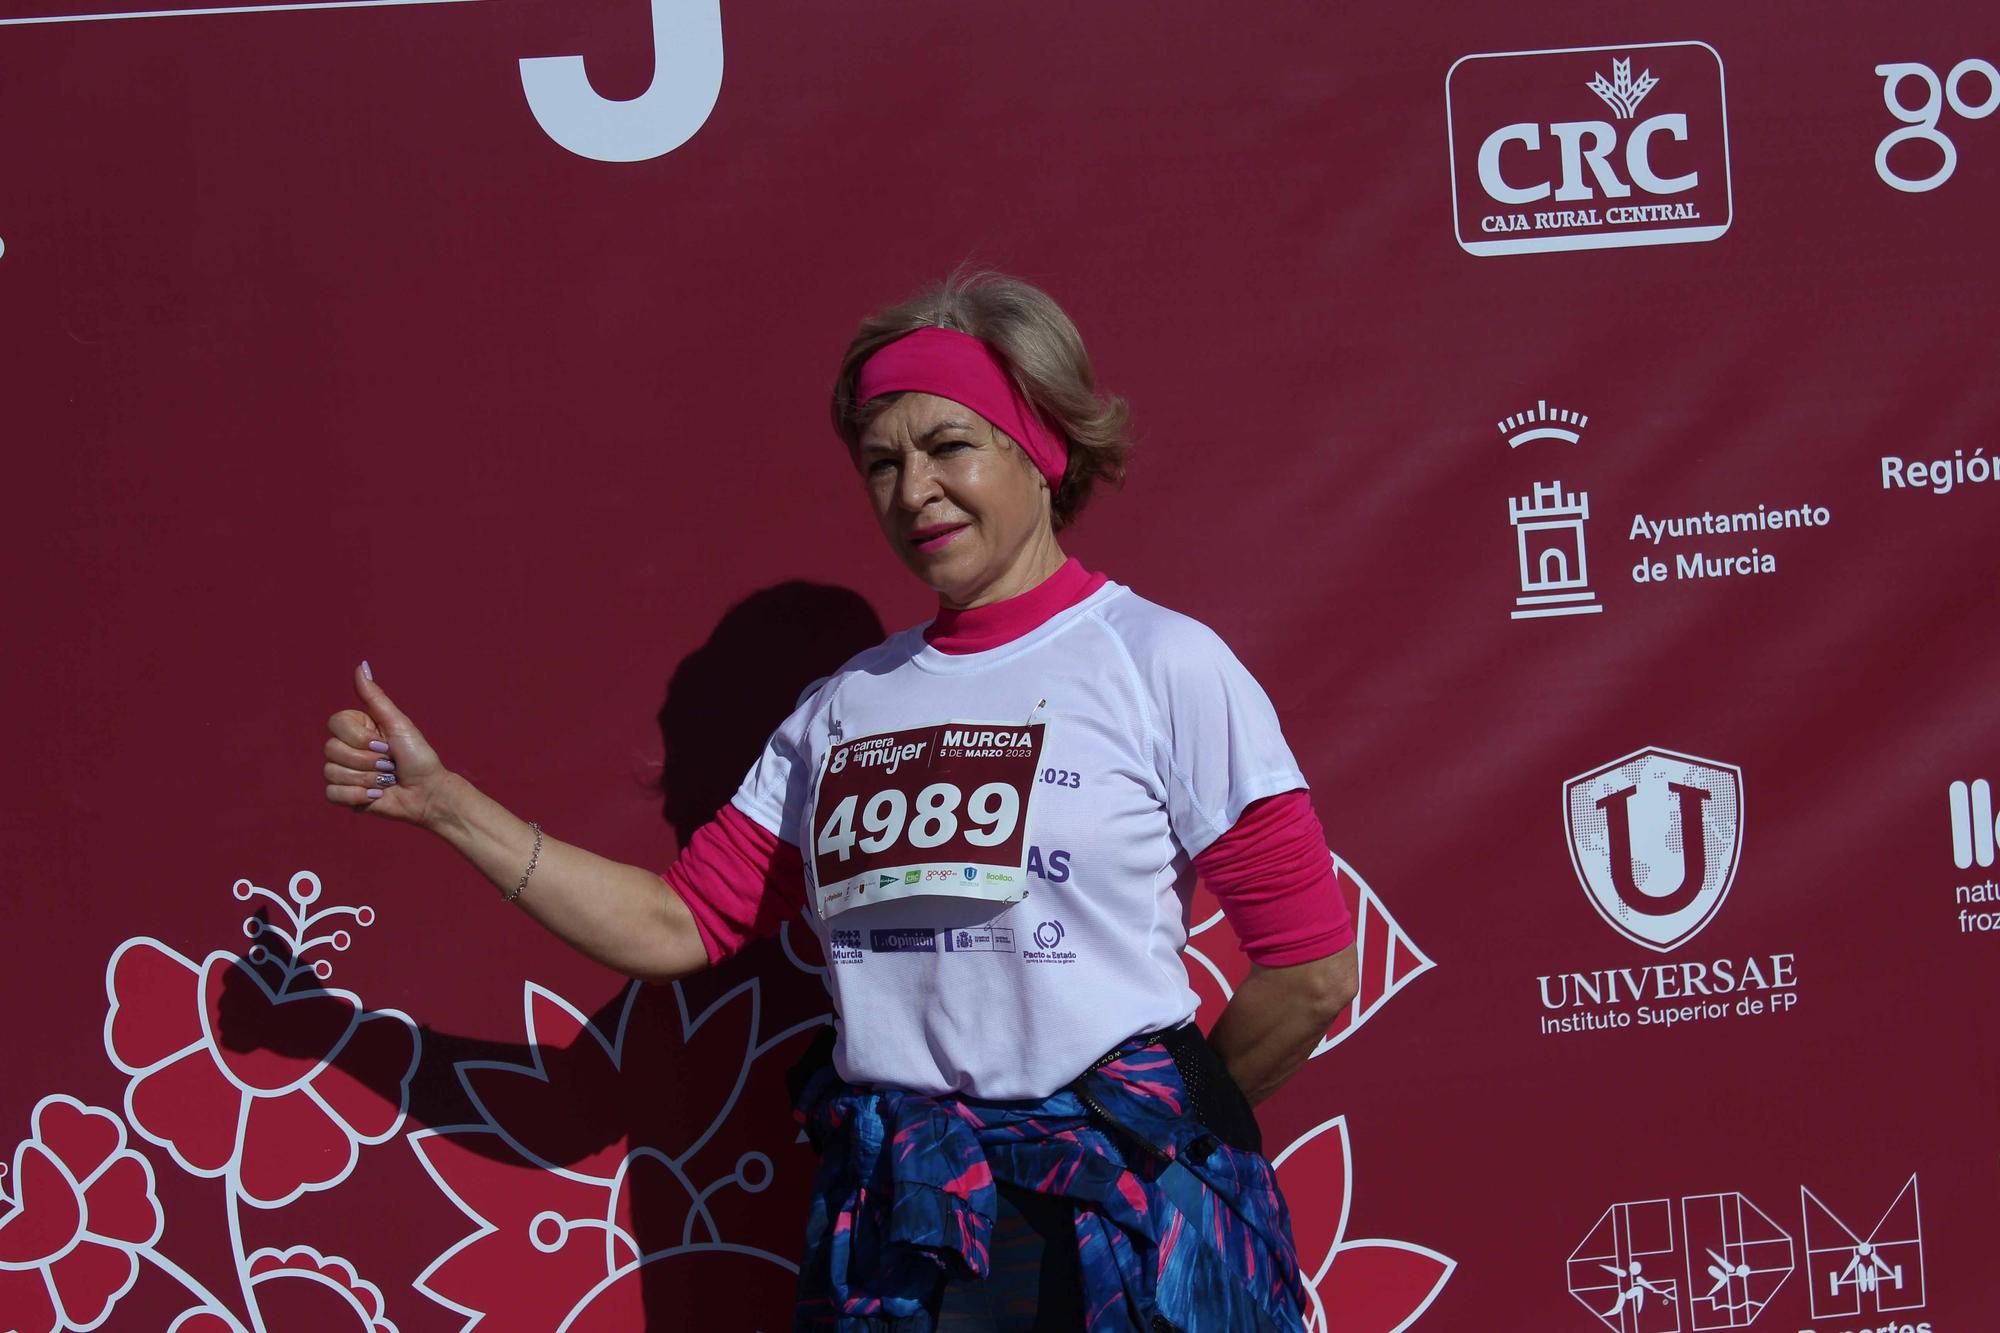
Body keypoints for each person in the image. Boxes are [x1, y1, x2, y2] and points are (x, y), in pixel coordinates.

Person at [322, 270, 1359, 1331]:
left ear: (1041, 445)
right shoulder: (844, 708)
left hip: (1123, 1235)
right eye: (881, 461)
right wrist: (447, 804)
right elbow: (674, 920)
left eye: (948, 444)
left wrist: (1150, 1133)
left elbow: (1312, 969)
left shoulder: (1160, 662)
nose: (913, 491)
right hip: (902, 1230)